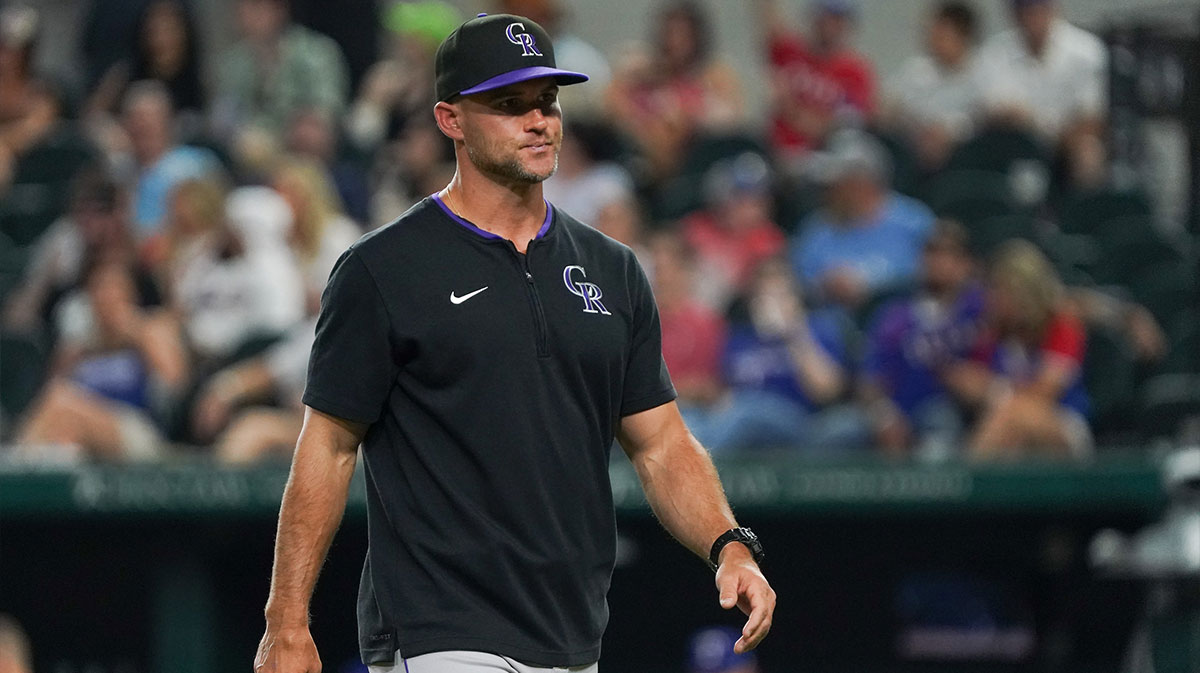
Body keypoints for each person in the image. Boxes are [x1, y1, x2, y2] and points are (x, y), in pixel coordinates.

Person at [252, 13, 774, 673]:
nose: (539, 120)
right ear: (451, 120)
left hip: (572, 631)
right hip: (437, 626)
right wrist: (286, 621)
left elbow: (661, 443)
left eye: (547, 101)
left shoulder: (612, 269)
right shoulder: (384, 269)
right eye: (509, 104)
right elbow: (327, 444)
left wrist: (728, 544)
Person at [944, 239, 1092, 458]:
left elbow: (1043, 393)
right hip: (1005, 425)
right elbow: (967, 380)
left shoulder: (1061, 328)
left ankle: (969, 480)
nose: (992, 299)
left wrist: (992, 390)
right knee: (1008, 427)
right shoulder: (992, 333)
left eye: (1001, 291)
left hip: (1062, 423)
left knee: (1012, 413)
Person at [859, 219, 982, 458]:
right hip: (898, 411)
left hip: (954, 411)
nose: (937, 262)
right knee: (839, 431)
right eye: (931, 253)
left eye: (948, 255)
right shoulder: (896, 317)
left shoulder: (981, 308)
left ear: (966, 264)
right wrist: (883, 415)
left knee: (939, 420)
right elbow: (871, 380)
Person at [791, 128, 934, 311]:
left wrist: (871, 284)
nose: (827, 193)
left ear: (862, 185)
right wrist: (824, 286)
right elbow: (798, 280)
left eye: (836, 185)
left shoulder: (914, 222)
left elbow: (937, 274)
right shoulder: (816, 228)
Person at [754, 0, 876, 164]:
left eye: (837, 19)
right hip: (776, 154)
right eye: (823, 17)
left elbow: (841, 129)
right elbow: (769, 20)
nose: (828, 25)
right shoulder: (790, 51)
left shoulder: (856, 72)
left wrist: (790, 109)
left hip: (827, 160)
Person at [976, 0, 1106, 150]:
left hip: (1068, 139)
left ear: (1053, 10)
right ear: (1014, 15)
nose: (1034, 18)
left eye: (1040, 10)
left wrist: (1049, 129)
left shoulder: (1086, 50)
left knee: (1088, 149)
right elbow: (992, 109)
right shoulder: (995, 51)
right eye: (1027, 11)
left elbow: (1092, 116)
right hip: (1015, 138)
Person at [885, 1, 982, 170]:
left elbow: (983, 117)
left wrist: (950, 132)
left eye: (941, 35)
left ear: (963, 37)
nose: (932, 40)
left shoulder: (983, 72)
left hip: (965, 156)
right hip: (915, 151)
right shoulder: (916, 69)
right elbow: (889, 106)